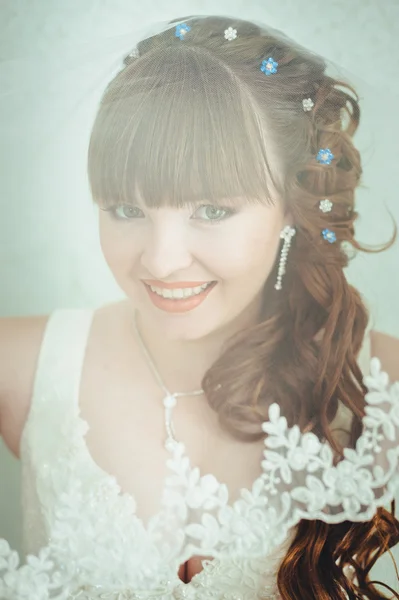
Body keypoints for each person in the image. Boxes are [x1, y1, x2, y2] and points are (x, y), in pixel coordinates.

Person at [1, 13, 399, 600]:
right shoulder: (18, 365)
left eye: (212, 211)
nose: (160, 263)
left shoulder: (384, 385)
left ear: (293, 206)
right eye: (125, 209)